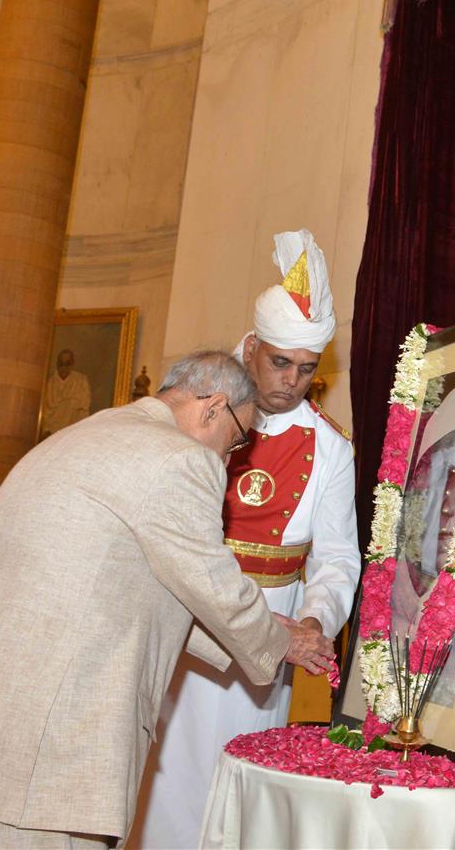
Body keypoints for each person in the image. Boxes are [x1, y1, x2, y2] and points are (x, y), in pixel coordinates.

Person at [0, 350, 335, 848]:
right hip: (44, 757)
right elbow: (212, 583)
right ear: (212, 408)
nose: (229, 460)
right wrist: (279, 642)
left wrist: (269, 630)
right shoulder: (179, 458)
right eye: (235, 440)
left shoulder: (78, 436)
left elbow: (132, 584)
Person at [131, 230, 360, 848]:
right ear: (252, 347)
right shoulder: (196, 412)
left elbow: (338, 558)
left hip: (273, 624)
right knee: (162, 770)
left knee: (238, 775)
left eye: (307, 369)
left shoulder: (331, 446)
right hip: (184, 612)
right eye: (279, 362)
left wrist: (316, 617)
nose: (291, 381)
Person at [38, 349, 91, 439]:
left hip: (72, 432)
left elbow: (84, 409)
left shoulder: (81, 381)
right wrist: (46, 430)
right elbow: (45, 412)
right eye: (61, 364)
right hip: (52, 433)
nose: (64, 367)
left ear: (72, 364)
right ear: (57, 364)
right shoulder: (49, 383)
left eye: (67, 363)